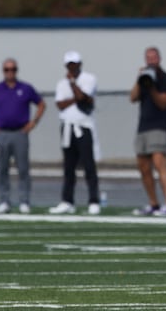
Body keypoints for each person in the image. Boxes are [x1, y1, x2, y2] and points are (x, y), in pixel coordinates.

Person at [0, 58, 46, 214]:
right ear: (3, 71)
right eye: (7, 69)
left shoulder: (25, 88)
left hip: (20, 133)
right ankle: (4, 201)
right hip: (2, 133)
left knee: (23, 168)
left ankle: (24, 201)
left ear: (17, 70)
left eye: (13, 69)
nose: (10, 72)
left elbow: (41, 104)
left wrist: (33, 122)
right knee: (2, 168)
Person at [48, 50, 101, 215]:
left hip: (83, 126)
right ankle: (67, 200)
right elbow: (61, 104)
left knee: (88, 165)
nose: (72, 67)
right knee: (68, 167)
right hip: (67, 126)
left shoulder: (89, 79)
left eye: (75, 64)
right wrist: (76, 98)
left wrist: (73, 86)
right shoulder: (60, 83)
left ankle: (94, 200)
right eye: (69, 64)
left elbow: (83, 96)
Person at [130, 47, 166, 217]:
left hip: (160, 126)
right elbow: (133, 98)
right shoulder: (144, 79)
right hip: (143, 126)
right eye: (148, 57)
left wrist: (152, 87)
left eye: (154, 57)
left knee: (159, 163)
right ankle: (153, 203)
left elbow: (163, 103)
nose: (151, 60)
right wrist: (140, 79)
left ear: (159, 58)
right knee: (143, 167)